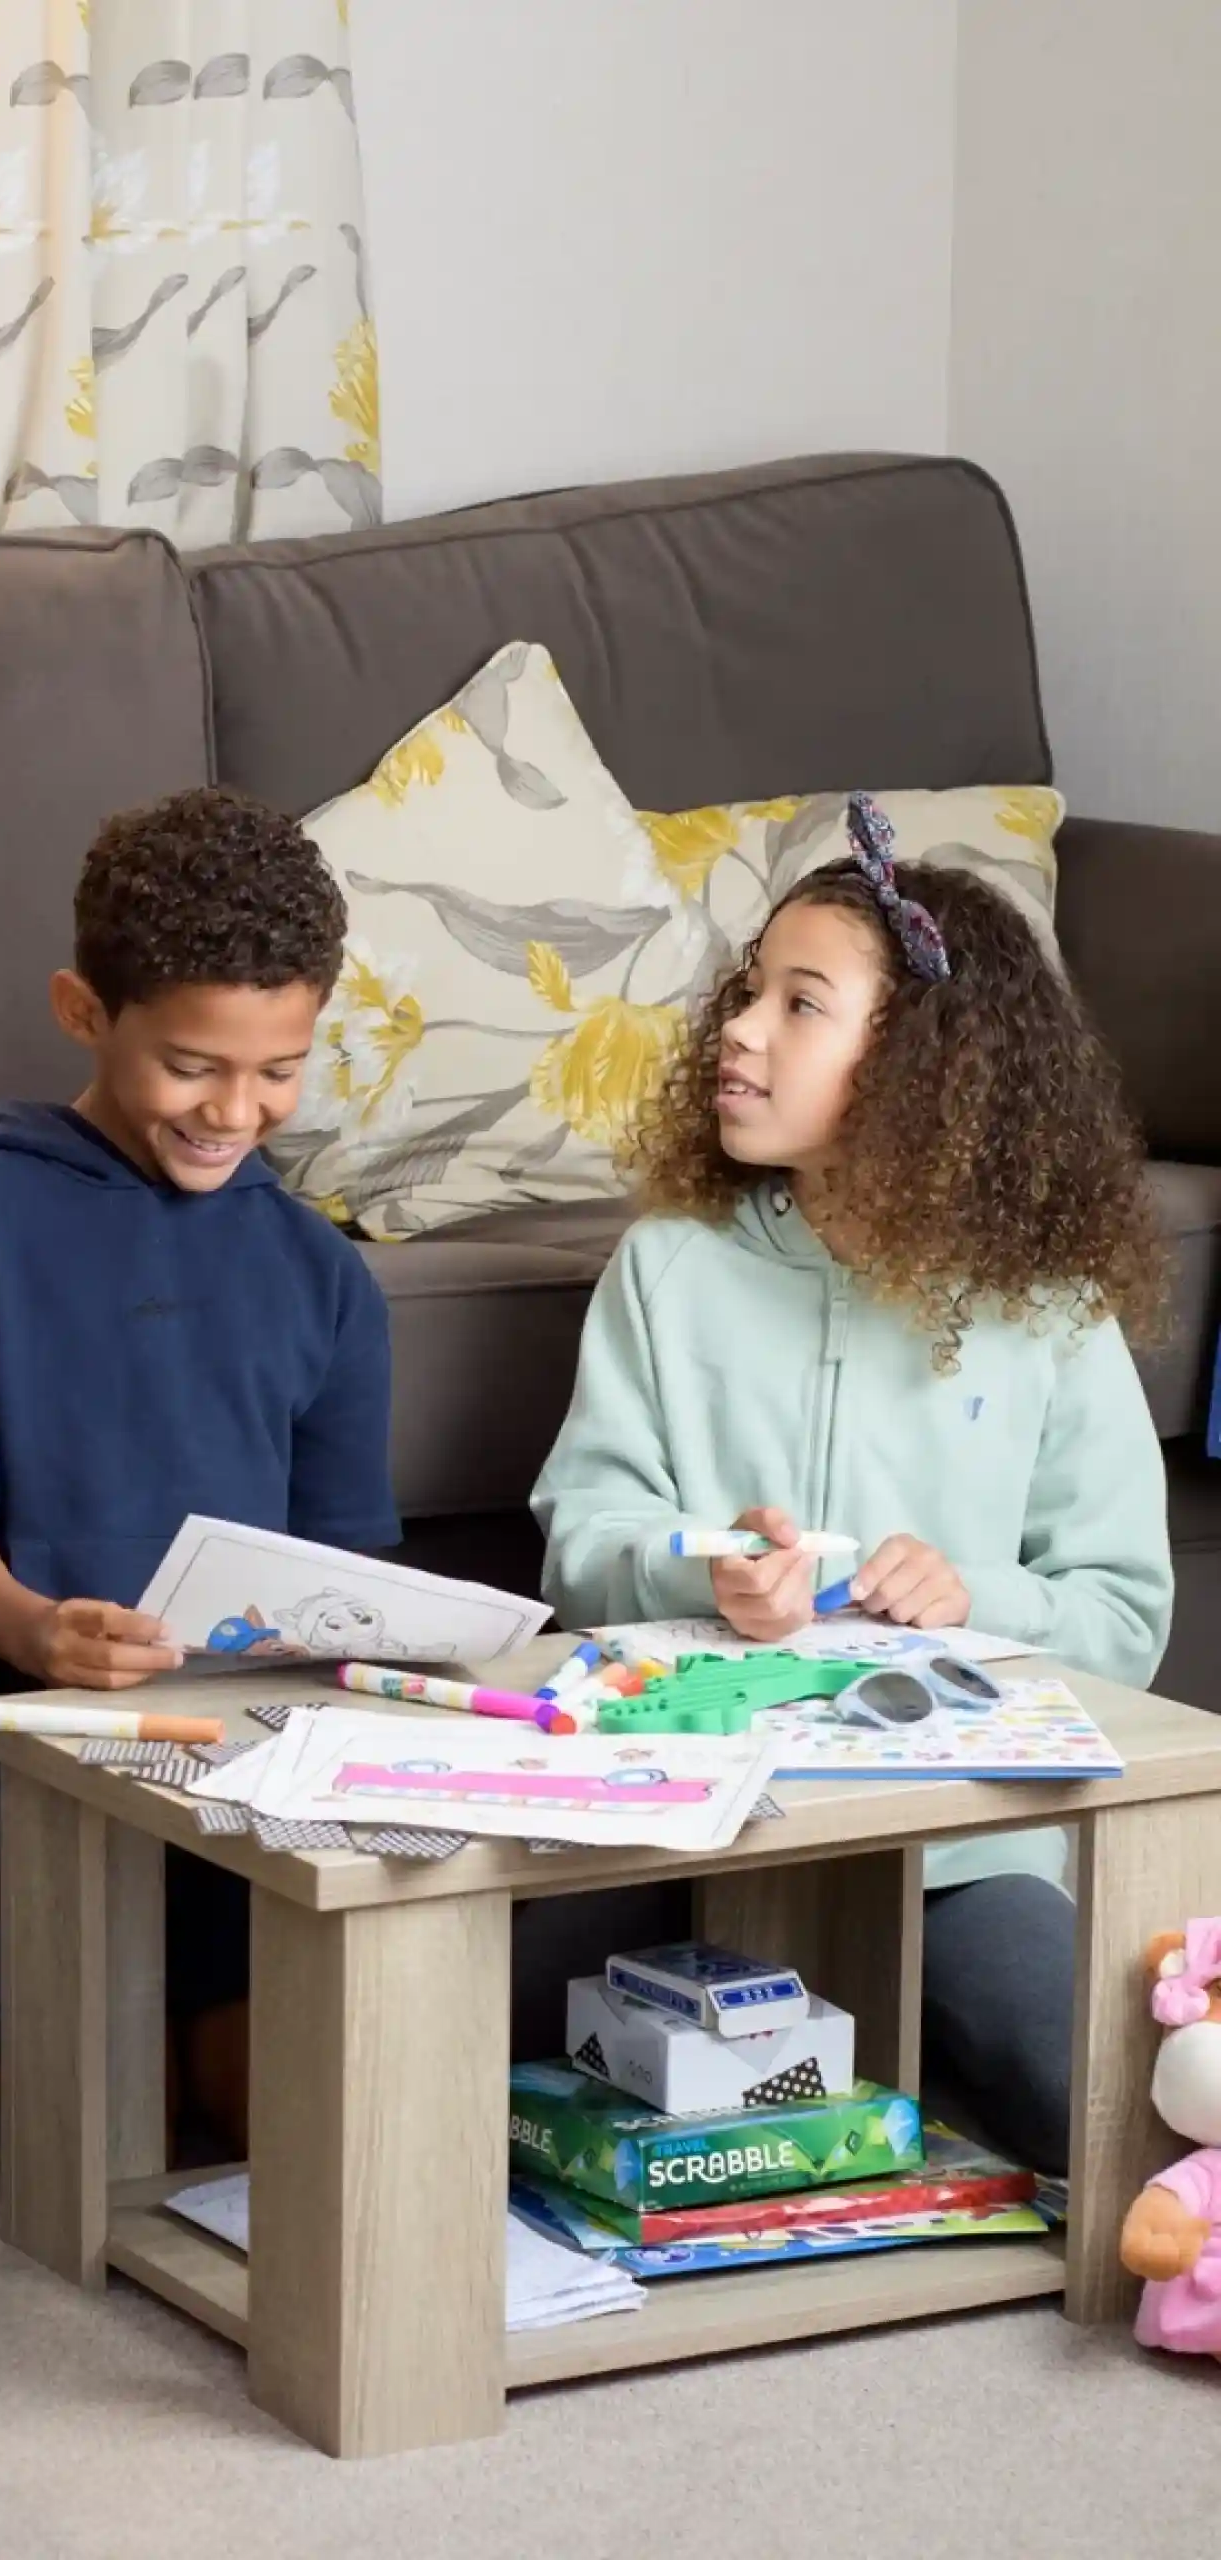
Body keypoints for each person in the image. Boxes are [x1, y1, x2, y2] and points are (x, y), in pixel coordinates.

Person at [534, 800, 1173, 2174]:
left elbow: (1122, 1610)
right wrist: (691, 1571)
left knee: (1112, 2111)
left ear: (921, 1065)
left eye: (800, 1004)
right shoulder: (672, 1268)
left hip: (957, 1855)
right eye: (748, 992)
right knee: (446, 2045)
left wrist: (969, 1598)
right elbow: (580, 1541)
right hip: (684, 1832)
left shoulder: (1045, 1308)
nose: (743, 1030)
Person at [0, 790, 396, 2129]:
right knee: (143, 2101)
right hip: (44, 1768)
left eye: (280, 1069)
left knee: (335, 2077)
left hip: (254, 1773)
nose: (238, 1109)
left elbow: (349, 1571)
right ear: (84, 1013)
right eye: (196, 1065)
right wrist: (36, 1631)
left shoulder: (324, 1278)